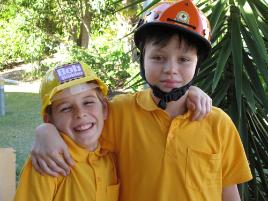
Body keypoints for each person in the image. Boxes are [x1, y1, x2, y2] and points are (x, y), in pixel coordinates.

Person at [31, 0, 252, 201]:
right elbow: (78, 128)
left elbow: (228, 191)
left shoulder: (218, 123)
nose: (170, 69)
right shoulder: (120, 112)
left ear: (197, 65)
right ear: (142, 59)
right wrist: (45, 131)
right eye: (158, 57)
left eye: (184, 59)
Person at [13, 63, 119, 201]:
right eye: (66, 108)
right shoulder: (49, 162)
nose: (80, 113)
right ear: (49, 120)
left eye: (88, 102)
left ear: (104, 108)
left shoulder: (109, 158)